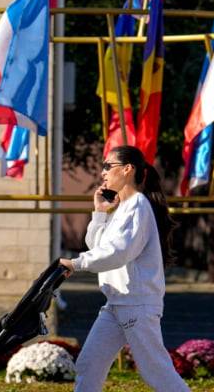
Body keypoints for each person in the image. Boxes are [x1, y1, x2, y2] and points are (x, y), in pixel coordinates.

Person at [59, 145, 189, 392]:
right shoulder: (122, 208)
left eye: (108, 166)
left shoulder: (138, 205)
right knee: (89, 364)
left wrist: (76, 264)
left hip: (136, 305)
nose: (103, 172)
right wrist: (100, 213)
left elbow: (118, 252)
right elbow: (97, 247)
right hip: (116, 304)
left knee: (158, 373)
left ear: (128, 169)